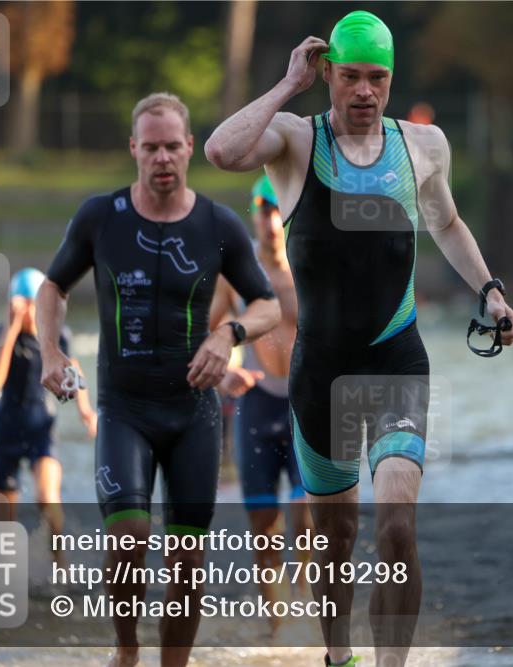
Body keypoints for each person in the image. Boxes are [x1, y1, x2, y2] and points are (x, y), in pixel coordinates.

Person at [204, 11, 513, 666]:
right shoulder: (296, 141)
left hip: (395, 358)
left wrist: (490, 291)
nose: (363, 92)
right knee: (335, 535)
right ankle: (337, 654)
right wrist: (287, 84)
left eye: (377, 78)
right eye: (349, 76)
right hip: (319, 371)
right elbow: (220, 151)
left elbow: (449, 223)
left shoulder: (424, 146)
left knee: (398, 523)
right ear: (328, 74)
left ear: (391, 79)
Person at [36, 92, 280, 667]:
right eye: (151, 148)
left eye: (173, 145)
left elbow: (265, 304)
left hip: (193, 414)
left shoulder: (218, 226)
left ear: (190, 147)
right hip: (125, 410)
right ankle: (126, 651)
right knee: (128, 540)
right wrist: (50, 351)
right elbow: (52, 289)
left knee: (187, 565)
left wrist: (227, 337)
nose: (163, 157)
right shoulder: (100, 218)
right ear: (134, 150)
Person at [210, 174, 313, 637]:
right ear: (253, 212)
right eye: (264, 210)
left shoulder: (309, 261)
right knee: (263, 526)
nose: (272, 221)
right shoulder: (237, 269)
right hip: (255, 405)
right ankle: (278, 633)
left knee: (306, 518)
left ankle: (310, 613)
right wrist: (221, 371)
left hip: (305, 406)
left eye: (279, 209)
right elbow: (206, 331)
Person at [0, 267, 97, 566]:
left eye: (34, 305)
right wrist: (12, 329)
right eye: (22, 304)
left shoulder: (57, 335)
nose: (27, 312)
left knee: (47, 497)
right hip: (7, 428)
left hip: (41, 426)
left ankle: (60, 563)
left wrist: (85, 410)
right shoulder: (0, 333)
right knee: (5, 525)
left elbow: (75, 370)